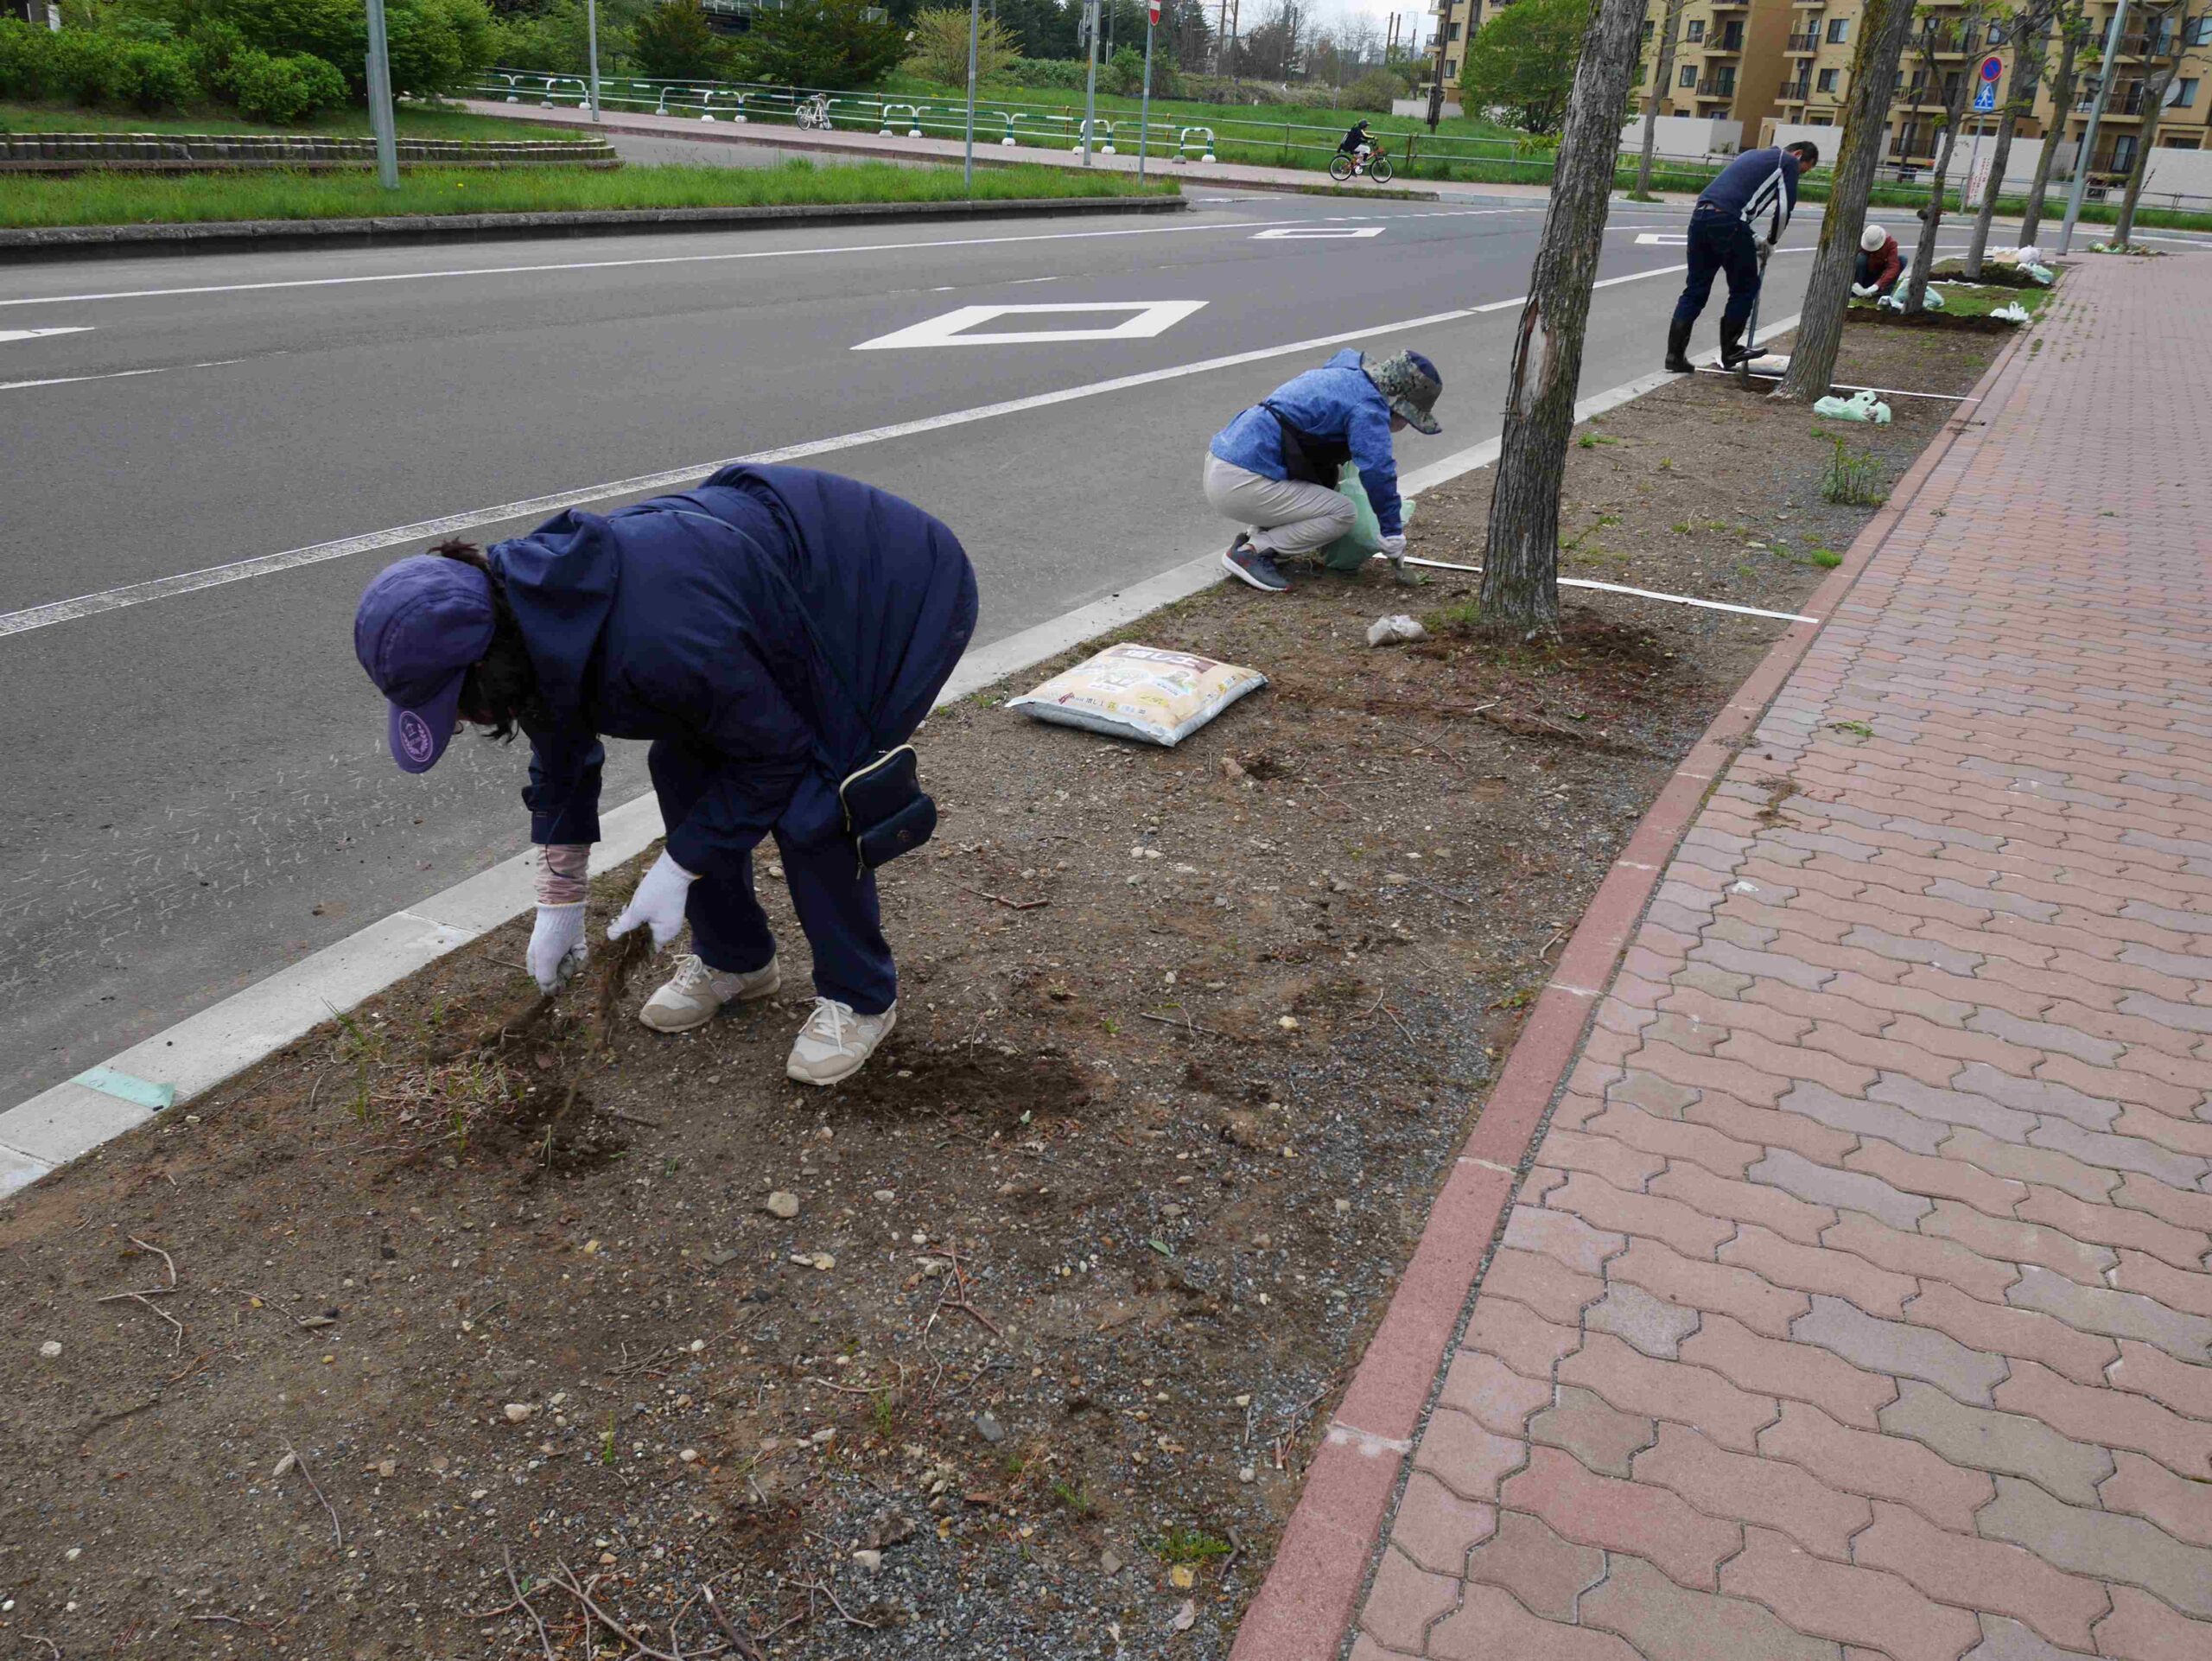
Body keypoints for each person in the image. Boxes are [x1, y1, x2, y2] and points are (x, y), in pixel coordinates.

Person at [353, 464, 978, 1086]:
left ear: (483, 664)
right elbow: (562, 761)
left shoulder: (658, 643)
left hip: (884, 586)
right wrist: (559, 905)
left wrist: (680, 865)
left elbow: (775, 754)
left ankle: (862, 999)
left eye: (458, 705)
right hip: (758, 587)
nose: (463, 721)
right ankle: (737, 961)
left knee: (818, 798)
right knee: (681, 765)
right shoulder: (527, 626)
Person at [1203, 349, 1443, 594]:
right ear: (1399, 405)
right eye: (1410, 418)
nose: (1406, 425)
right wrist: (1392, 533)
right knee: (1343, 513)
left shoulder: (1349, 374)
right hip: (1242, 480)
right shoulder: (1368, 408)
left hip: (1224, 460)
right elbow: (1379, 472)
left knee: (1331, 479)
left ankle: (1260, 534)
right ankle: (1252, 552)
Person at [1665, 139, 1820, 373]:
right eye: (1803, 170)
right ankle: (1731, 351)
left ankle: (1674, 356)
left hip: (1701, 217)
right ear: (1798, 155)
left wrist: (1753, 237)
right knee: (1745, 287)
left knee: (1695, 290)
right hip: (1729, 223)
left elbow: (1732, 199)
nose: (1800, 175)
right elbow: (1785, 208)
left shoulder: (1754, 155)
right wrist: (1771, 241)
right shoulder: (1787, 162)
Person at [1853, 222, 1905, 301]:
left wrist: (1877, 285)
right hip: (1864, 276)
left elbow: (1893, 267)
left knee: (1902, 260)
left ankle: (1882, 295)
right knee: (1860, 258)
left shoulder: (1890, 244)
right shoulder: (1859, 240)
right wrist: (1853, 283)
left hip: (1879, 277)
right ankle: (1855, 294)